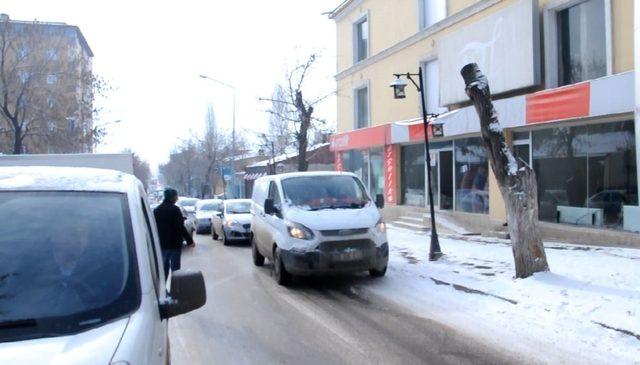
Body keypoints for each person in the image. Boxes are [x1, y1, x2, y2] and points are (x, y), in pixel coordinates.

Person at [154, 188, 195, 278]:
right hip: (174, 244)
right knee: (175, 269)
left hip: (162, 244)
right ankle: (176, 288)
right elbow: (180, 227)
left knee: (164, 268)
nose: (177, 198)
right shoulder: (175, 210)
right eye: (176, 196)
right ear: (172, 197)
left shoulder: (157, 210)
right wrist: (190, 241)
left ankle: (163, 288)